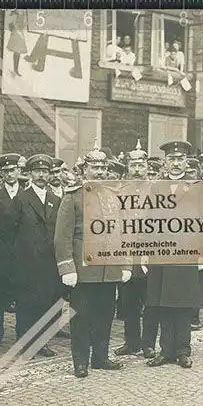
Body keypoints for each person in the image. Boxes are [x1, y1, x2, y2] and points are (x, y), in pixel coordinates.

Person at [54, 144, 132, 378]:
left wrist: (126, 264)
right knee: (81, 317)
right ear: (84, 169)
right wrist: (67, 267)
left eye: (102, 167)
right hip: (83, 270)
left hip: (108, 270)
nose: (99, 172)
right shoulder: (73, 196)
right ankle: (81, 362)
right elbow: (62, 236)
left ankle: (100, 357)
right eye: (94, 167)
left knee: (104, 315)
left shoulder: (113, 195)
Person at [145, 140, 203, 370]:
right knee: (162, 301)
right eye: (172, 159)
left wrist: (202, 253)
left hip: (186, 251)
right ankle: (165, 350)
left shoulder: (196, 186)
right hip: (161, 252)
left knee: (182, 302)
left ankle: (183, 350)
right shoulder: (156, 187)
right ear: (165, 162)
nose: (176, 163)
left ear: (186, 161)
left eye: (180, 159)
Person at [114, 140, 159, 359]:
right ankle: (131, 341)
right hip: (127, 252)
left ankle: (148, 343)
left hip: (149, 252)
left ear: (147, 166)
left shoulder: (156, 189)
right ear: (128, 167)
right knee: (128, 300)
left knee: (150, 300)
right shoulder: (120, 190)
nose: (138, 168)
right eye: (133, 165)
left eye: (141, 164)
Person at [14, 153, 61, 357]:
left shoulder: (56, 200)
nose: (41, 175)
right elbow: (10, 232)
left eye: (45, 171)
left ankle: (41, 342)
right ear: (30, 174)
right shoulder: (21, 199)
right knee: (26, 303)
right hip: (27, 261)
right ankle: (24, 341)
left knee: (46, 301)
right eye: (37, 171)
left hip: (49, 261)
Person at [0, 153, 24, 348]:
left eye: (13, 170)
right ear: (2, 174)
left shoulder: (27, 195)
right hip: (2, 253)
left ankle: (22, 333)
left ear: (19, 171)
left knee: (23, 296)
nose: (10, 174)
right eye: (6, 171)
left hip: (23, 254)